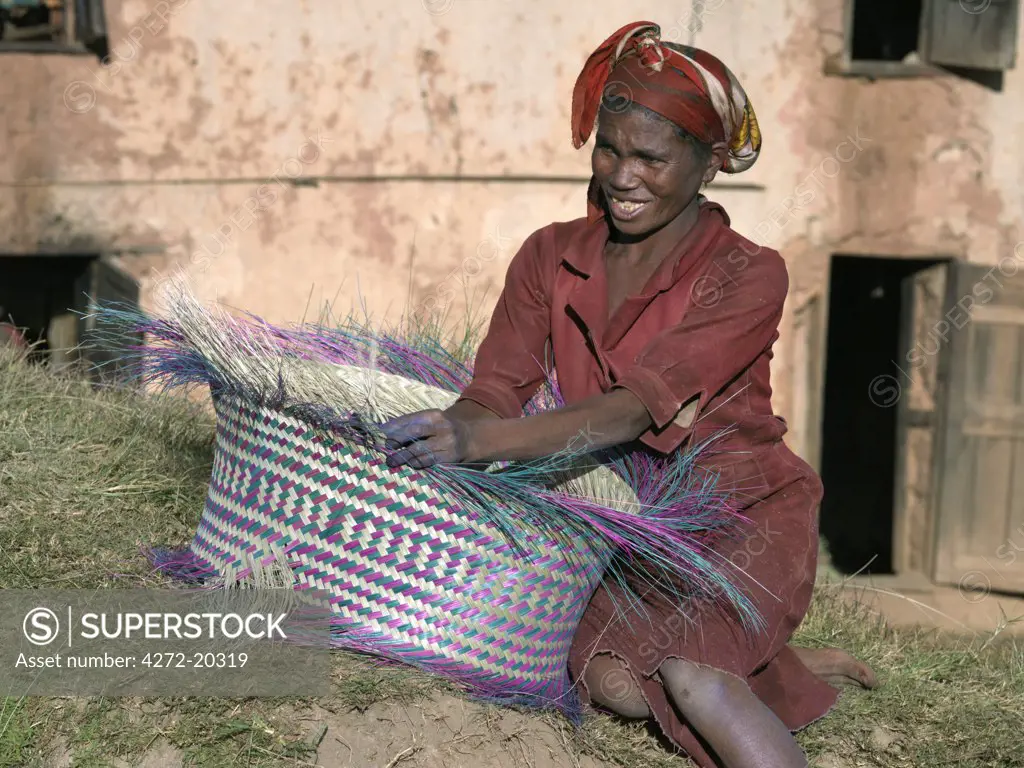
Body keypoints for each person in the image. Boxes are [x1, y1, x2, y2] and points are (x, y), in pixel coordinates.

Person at [381, 21, 877, 768]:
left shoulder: (750, 273)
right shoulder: (549, 257)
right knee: (610, 680)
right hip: (631, 522)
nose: (623, 174)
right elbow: (493, 393)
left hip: (741, 513)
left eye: (651, 156)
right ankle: (776, 664)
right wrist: (440, 437)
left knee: (694, 677)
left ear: (709, 164)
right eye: (609, 149)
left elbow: (634, 408)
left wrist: (479, 444)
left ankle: (745, 654)